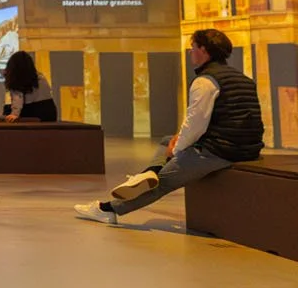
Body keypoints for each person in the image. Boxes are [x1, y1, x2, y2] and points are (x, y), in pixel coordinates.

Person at [75, 28, 262, 225]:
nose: (191, 52)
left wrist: (176, 152)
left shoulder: (205, 81)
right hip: (247, 148)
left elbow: (195, 124)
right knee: (168, 140)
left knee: (162, 182)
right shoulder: (242, 78)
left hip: (221, 151)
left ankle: (110, 209)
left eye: (193, 47)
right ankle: (150, 171)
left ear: (203, 50)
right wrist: (177, 141)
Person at [0, 50, 57, 121]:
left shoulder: (16, 78)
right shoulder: (40, 77)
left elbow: (18, 98)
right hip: (48, 111)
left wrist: (14, 114)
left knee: (7, 110)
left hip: (32, 112)